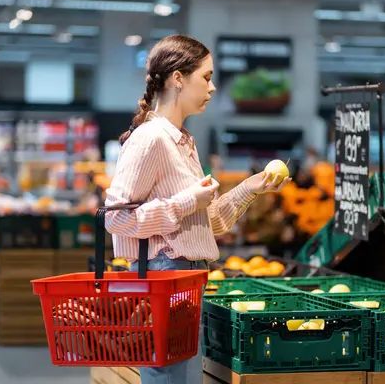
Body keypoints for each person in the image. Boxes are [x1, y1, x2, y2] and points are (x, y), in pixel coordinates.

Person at [104, 34, 291, 384]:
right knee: (169, 378)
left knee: (182, 378)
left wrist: (250, 187)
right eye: (206, 77)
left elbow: (209, 222)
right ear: (178, 78)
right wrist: (187, 200)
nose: (214, 87)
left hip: (187, 274)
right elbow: (116, 218)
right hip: (165, 274)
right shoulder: (151, 139)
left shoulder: (181, 141)